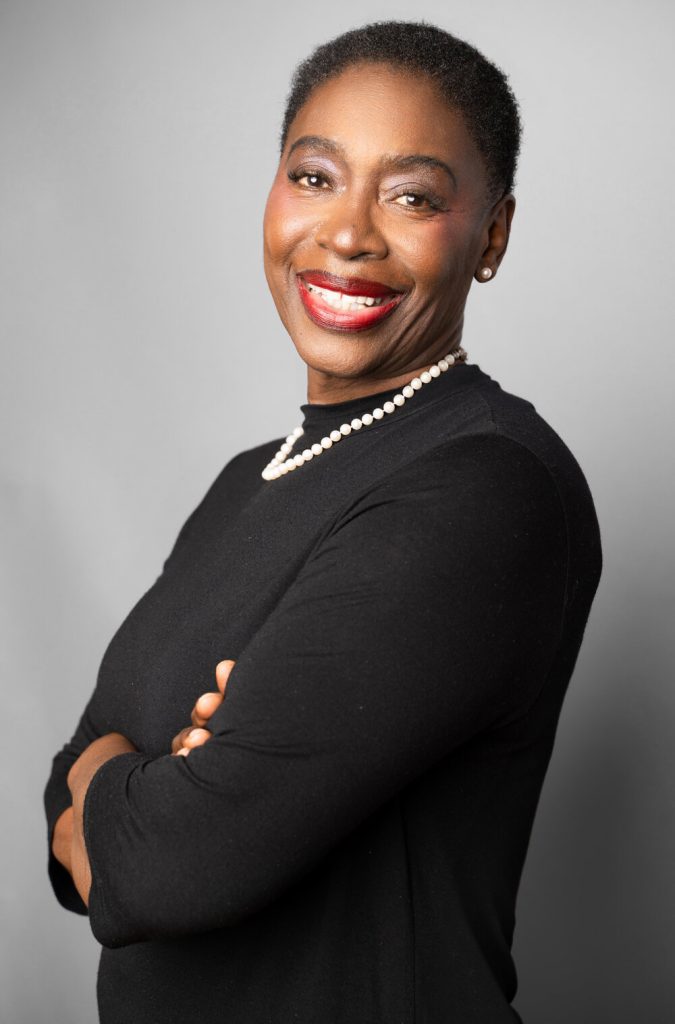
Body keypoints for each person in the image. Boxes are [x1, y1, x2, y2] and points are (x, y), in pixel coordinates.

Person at [44, 20, 602, 1024]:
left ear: (494, 235)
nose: (347, 233)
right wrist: (129, 774)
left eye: (413, 196)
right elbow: (64, 807)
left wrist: (123, 780)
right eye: (314, 177)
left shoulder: (486, 485)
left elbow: (173, 865)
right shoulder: (243, 482)